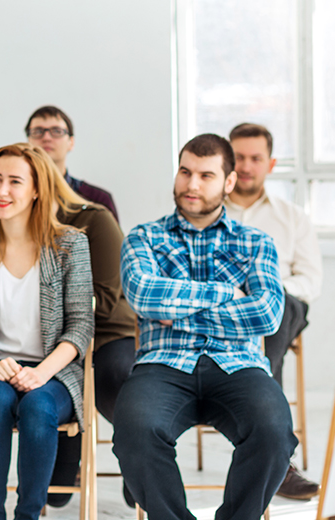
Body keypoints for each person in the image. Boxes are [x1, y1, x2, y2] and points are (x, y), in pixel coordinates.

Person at [114, 134, 297, 520]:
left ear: (229, 182)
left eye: (206, 175)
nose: (192, 185)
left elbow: (266, 314)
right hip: (162, 364)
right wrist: (226, 293)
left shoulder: (257, 243)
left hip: (238, 365)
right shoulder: (144, 237)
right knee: (135, 429)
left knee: (274, 432)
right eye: (185, 172)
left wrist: (178, 310)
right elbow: (144, 295)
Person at [0, 143, 94, 520]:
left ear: (36, 190)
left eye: (15, 181)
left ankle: (29, 515)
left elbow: (81, 326)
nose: (2, 191)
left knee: (39, 406)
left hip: (53, 371)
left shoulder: (70, 246)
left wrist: (42, 372)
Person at [227, 122, 323, 501]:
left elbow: (310, 280)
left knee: (273, 315)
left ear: (272, 163)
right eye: (238, 157)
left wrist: (270, 293)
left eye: (256, 158)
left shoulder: (293, 217)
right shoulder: (205, 213)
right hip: (227, 312)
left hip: (284, 308)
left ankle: (275, 457)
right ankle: (270, 454)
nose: (247, 165)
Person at [40, 155, 138, 508]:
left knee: (115, 373)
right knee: (58, 492)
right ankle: (61, 469)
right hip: (49, 337)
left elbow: (108, 298)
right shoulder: (12, 226)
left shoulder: (95, 219)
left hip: (108, 329)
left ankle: (135, 456)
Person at [25, 105, 119, 221]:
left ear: (71, 142)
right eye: (38, 131)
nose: (46, 138)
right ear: (28, 142)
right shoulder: (12, 197)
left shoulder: (97, 200)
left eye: (57, 131)